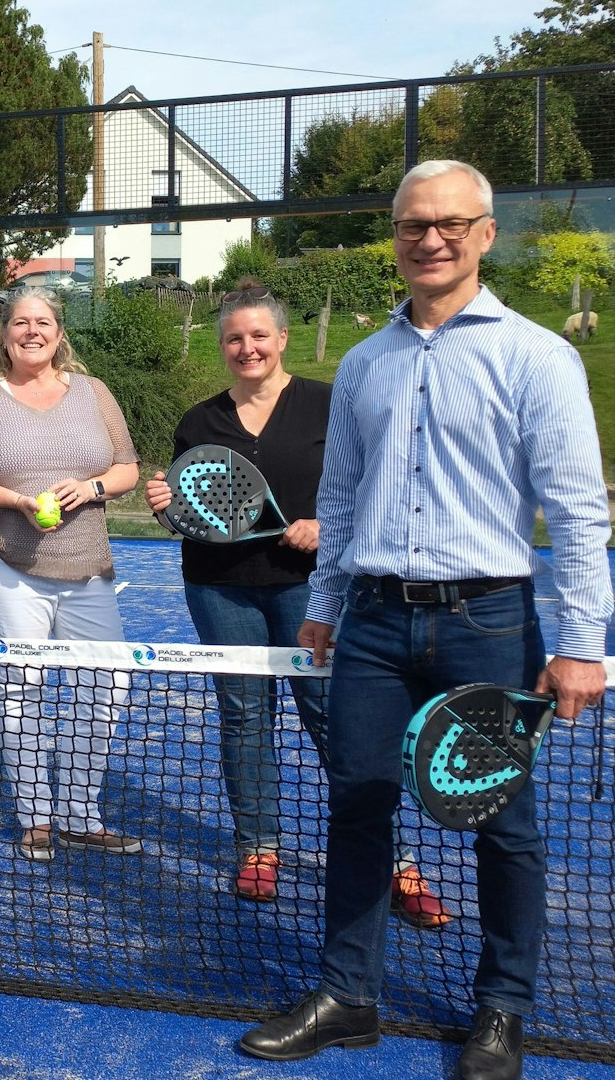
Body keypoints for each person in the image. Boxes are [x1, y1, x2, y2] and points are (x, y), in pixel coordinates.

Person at [238, 160, 612, 1080]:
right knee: (358, 806)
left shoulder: (536, 355)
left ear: (486, 234)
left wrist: (581, 642)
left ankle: (501, 1009)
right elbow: (342, 491)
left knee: (502, 822)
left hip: (489, 622)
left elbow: (576, 508)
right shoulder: (365, 361)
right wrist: (325, 605)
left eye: (450, 223)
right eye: (413, 225)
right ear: (395, 237)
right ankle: (348, 997)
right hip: (371, 624)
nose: (430, 239)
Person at [144, 281, 449, 924]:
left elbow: (377, 488)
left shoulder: (330, 405)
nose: (247, 347)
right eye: (234, 337)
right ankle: (258, 849)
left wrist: (324, 528)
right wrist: (166, 511)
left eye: (260, 335)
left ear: (282, 339)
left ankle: (392, 862)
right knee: (245, 717)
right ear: (221, 344)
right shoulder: (199, 420)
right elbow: (194, 514)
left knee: (336, 719)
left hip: (312, 591)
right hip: (219, 589)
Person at [0, 285, 142, 862]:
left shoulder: (93, 391)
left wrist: (93, 487)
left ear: (58, 332)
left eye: (43, 322)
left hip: (87, 565)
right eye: (20, 322)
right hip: (6, 563)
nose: (32, 331)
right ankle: (37, 819)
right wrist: (15, 499)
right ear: (4, 334)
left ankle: (80, 813)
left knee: (105, 687)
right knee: (23, 689)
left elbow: (126, 467)